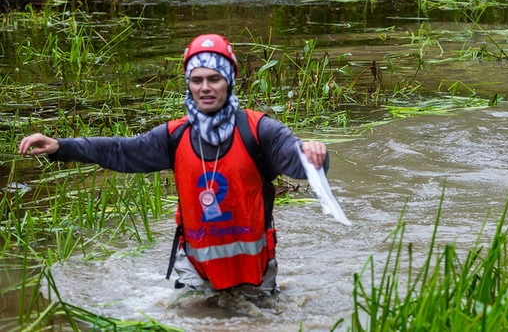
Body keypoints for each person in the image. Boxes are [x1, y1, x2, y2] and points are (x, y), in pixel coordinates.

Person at [18, 34, 329, 297]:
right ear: (189, 85)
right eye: (197, 80)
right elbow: (123, 151)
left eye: (214, 79)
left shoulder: (259, 131)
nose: (205, 87)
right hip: (194, 271)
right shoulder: (175, 136)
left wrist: (315, 156)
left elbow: (299, 163)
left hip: (253, 271)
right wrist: (61, 147)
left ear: (229, 82)